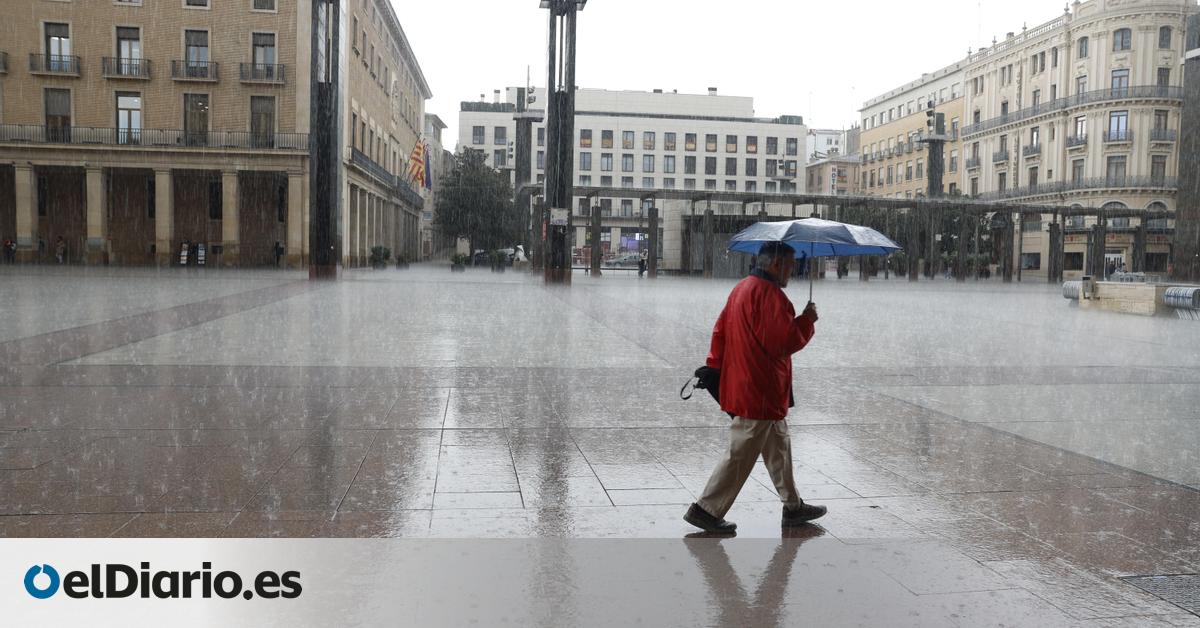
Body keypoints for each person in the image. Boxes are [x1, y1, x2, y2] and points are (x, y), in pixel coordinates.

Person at [684, 241, 826, 534]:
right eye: (790, 265)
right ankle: (706, 510)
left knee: (779, 446)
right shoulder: (771, 296)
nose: (792, 271)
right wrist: (807, 321)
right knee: (741, 451)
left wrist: (719, 368)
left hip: (748, 382)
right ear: (775, 264)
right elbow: (783, 342)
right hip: (760, 388)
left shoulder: (741, 288)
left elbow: (720, 332)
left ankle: (793, 507)